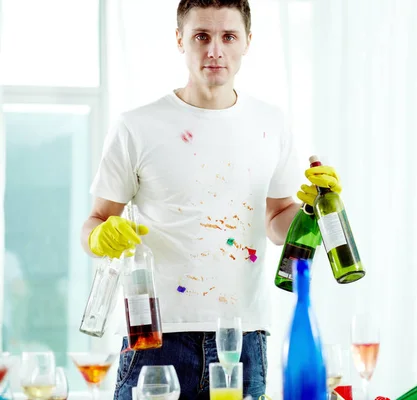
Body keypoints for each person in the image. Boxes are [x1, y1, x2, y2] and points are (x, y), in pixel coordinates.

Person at [80, 1, 342, 399]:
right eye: (201, 36)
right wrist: (100, 236)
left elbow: (276, 220)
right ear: (180, 40)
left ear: (247, 42)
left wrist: (313, 210)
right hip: (155, 340)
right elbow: (95, 221)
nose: (214, 50)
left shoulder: (271, 123)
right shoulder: (136, 126)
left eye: (228, 36)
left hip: (243, 339)